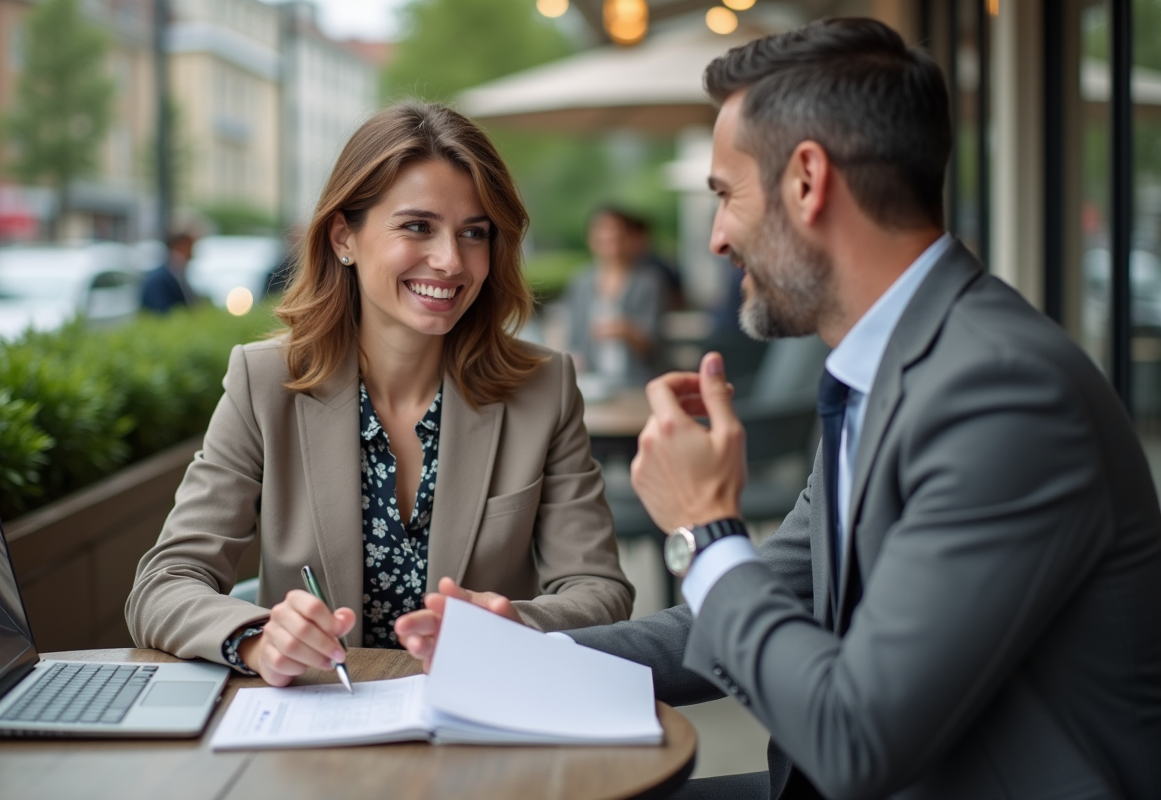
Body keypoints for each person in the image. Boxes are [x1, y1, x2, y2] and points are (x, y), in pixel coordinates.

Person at [395, 19, 1161, 800]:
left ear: (806, 181)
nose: (719, 240)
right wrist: (522, 645)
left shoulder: (1001, 395)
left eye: (726, 195)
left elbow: (855, 740)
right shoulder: (896, 369)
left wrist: (705, 525)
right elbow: (744, 610)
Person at [126, 102, 634, 687]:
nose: (450, 261)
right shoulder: (264, 383)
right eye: (417, 226)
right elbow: (163, 585)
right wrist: (261, 639)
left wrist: (515, 622)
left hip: (479, 725)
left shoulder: (544, 388)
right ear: (345, 236)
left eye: (474, 233)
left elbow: (601, 591)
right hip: (315, 739)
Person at [561, 207, 669, 386]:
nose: (610, 238)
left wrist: (625, 330)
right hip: (594, 382)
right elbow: (575, 339)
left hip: (638, 382)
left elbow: (655, 341)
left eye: (617, 232)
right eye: (602, 231)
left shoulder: (649, 282)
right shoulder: (581, 282)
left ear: (629, 238)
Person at [140, 231, 198, 313]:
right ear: (181, 245)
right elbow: (160, 313)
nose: (192, 251)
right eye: (190, 246)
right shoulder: (159, 279)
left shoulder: (175, 272)